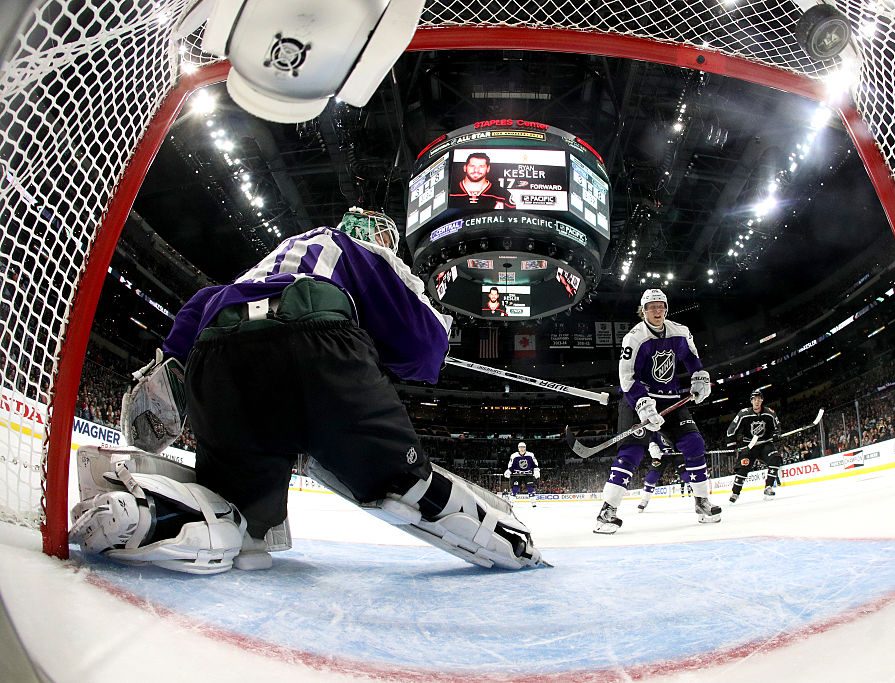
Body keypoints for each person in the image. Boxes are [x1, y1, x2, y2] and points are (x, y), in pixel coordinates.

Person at [70, 208, 545, 573]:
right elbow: (424, 351)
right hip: (320, 351)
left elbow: (177, 354)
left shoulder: (247, 275)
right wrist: (376, 350)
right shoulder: (346, 247)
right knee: (401, 485)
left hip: (221, 366)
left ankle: (146, 513)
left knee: (243, 527)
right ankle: (513, 544)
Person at [594, 288, 720, 533]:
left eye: (661, 306)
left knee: (694, 443)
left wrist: (700, 377)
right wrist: (642, 404)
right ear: (643, 311)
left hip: (670, 400)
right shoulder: (634, 338)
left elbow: (692, 359)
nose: (657, 311)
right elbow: (626, 379)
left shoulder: (680, 332)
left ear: (666, 308)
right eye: (652, 307)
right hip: (637, 400)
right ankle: (606, 512)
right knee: (631, 453)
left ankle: (702, 502)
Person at [726, 388, 781, 502]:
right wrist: (731, 444)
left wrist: (776, 434)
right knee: (743, 468)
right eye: (754, 399)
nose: (757, 401)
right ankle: (735, 493)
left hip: (765, 443)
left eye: (759, 399)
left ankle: (768, 487)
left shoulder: (770, 413)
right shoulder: (744, 413)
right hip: (749, 445)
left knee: (775, 459)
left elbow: (777, 427)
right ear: (751, 401)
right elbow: (732, 429)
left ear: (762, 400)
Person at [636, 435, 693, 512]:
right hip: (660, 455)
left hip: (676, 453)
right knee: (652, 476)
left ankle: (700, 498)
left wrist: (684, 446)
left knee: (685, 473)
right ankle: (645, 499)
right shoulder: (656, 426)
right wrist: (653, 446)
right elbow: (652, 437)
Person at [448, 152, 517, 210]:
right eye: (472, 166)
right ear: (465, 168)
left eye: (481, 166)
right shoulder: (450, 192)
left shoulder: (502, 195)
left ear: (488, 169)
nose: (476, 170)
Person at [504, 441, 540, 507]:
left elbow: (535, 464)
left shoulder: (530, 455)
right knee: (515, 488)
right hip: (517, 474)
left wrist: (536, 470)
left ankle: (533, 502)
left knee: (530, 488)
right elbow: (511, 465)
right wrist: (508, 471)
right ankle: (511, 502)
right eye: (520, 447)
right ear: (518, 448)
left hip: (528, 473)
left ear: (525, 448)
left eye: (523, 447)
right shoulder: (514, 455)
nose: (522, 449)